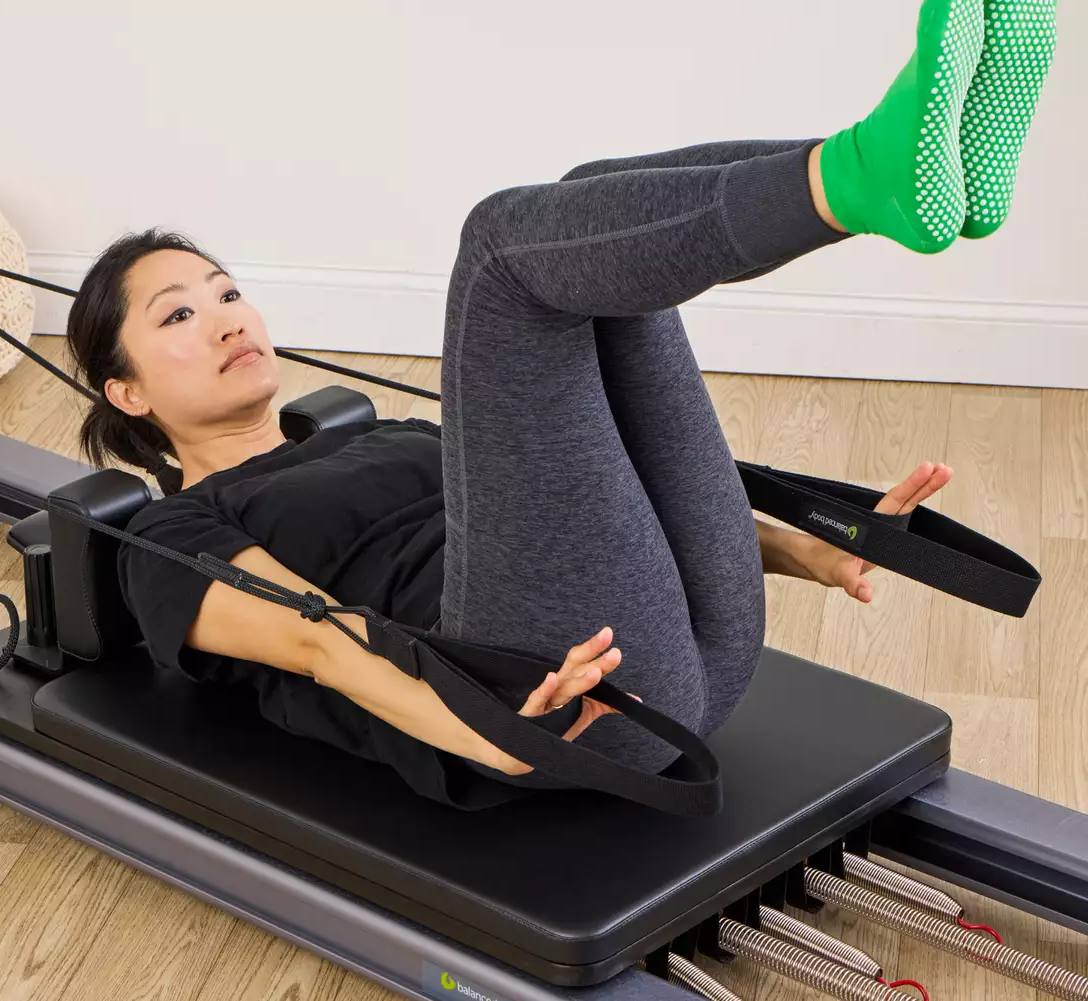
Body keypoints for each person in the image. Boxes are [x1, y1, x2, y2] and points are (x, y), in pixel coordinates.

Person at [63, 0, 1055, 807]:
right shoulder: (176, 530)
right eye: (179, 314)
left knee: (586, 220)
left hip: (694, 636)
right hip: (555, 693)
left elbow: (581, 515)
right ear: (127, 388)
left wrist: (814, 545)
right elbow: (321, 641)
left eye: (228, 291)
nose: (227, 318)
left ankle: (923, 164)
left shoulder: (389, 433)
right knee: (504, 247)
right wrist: (500, 741)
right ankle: (865, 174)